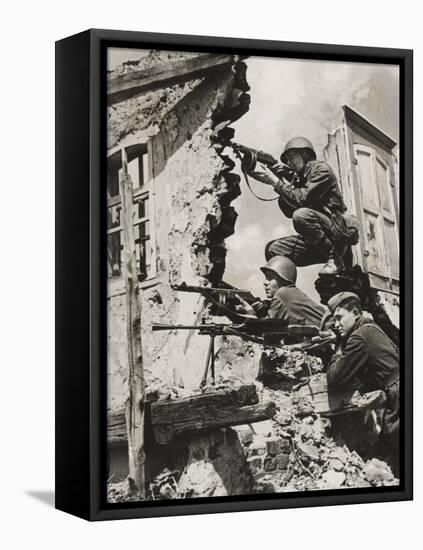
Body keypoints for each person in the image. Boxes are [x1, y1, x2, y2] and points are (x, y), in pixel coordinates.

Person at [246, 137, 356, 275]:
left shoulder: (322, 170)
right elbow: (288, 211)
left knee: (301, 215)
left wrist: (276, 182)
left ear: (304, 154)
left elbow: (302, 200)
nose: (289, 163)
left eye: (291, 157)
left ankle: (336, 258)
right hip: (316, 240)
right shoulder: (298, 178)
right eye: (286, 160)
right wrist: (281, 180)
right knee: (273, 249)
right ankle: (285, 289)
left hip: (336, 234)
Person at [326, 292, 399, 459]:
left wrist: (338, 348)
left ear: (356, 313)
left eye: (339, 317)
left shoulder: (360, 337)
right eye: (334, 320)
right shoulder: (370, 327)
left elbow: (334, 377)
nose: (336, 324)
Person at [235, 255, 325, 326]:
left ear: (284, 279)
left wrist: (250, 312)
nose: (265, 282)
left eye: (270, 278)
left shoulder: (283, 293)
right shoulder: (292, 294)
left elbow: (268, 332)